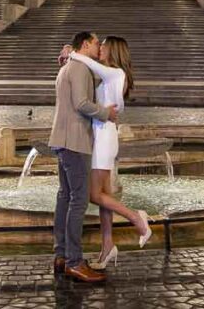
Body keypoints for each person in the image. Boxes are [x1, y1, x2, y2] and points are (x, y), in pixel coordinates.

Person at [67, 36, 152, 269]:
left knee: (94, 194)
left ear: (113, 49)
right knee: (104, 195)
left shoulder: (115, 73)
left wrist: (71, 53)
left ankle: (137, 218)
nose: (100, 48)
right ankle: (107, 247)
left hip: (104, 137)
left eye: (103, 45)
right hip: (103, 135)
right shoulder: (112, 75)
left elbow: (90, 64)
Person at [48, 31, 118, 283]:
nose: (99, 46)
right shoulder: (77, 67)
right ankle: (75, 262)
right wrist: (105, 113)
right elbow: (81, 103)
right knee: (78, 200)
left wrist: (70, 49)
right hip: (75, 141)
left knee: (65, 197)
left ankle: (62, 256)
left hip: (63, 139)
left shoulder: (70, 65)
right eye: (96, 43)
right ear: (86, 44)